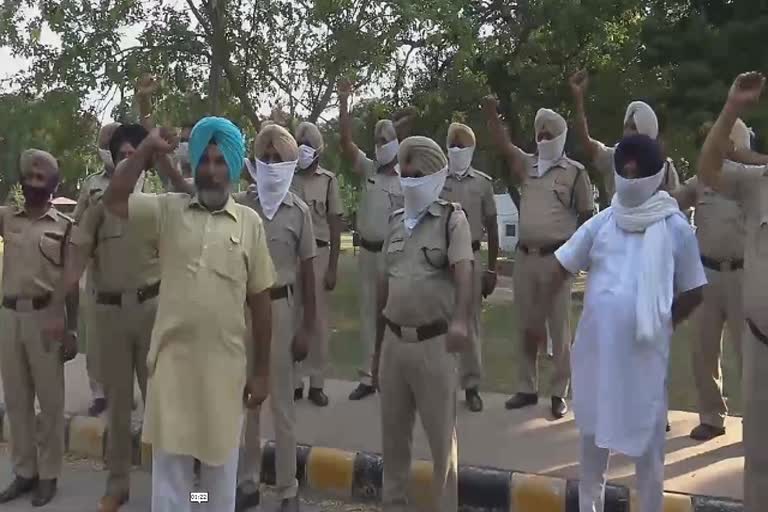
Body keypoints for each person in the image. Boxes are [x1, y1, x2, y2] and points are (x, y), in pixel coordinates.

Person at [101, 118, 276, 512]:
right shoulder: (168, 210)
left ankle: (202, 504)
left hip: (225, 375)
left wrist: (262, 371)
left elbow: (262, 304)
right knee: (171, 486)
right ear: (194, 163)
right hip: (172, 372)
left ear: (231, 168)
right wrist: (145, 149)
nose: (211, 170)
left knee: (217, 488)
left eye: (219, 161)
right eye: (205, 160)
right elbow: (114, 200)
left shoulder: (249, 224)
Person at [535, 134, 705, 512]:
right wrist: (546, 328)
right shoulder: (603, 223)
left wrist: (662, 322)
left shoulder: (675, 227)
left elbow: (695, 290)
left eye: (636, 170)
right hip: (598, 356)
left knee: (648, 454)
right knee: (592, 448)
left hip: (645, 359)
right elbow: (559, 269)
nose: (629, 175)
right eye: (623, 169)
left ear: (655, 174)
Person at [45, 124, 191, 512]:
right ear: (111, 157)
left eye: (136, 154)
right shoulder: (96, 205)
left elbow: (195, 203)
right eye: (125, 154)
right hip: (109, 313)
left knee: (163, 404)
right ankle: (118, 485)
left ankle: (176, 489)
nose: (131, 160)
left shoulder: (159, 201)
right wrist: (60, 308)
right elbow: (75, 256)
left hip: (153, 311)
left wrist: (166, 162)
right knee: (119, 407)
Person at [374, 136, 473, 512]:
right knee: (393, 439)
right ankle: (392, 504)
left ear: (436, 176)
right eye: (407, 173)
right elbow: (383, 287)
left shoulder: (452, 219)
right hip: (394, 343)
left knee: (440, 441)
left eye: (419, 174)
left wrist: (461, 320)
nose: (411, 180)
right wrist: (375, 349)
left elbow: (464, 272)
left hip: (435, 343)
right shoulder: (395, 222)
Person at [482, 95, 594, 418]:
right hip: (525, 258)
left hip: (558, 259)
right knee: (525, 324)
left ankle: (559, 393)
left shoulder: (575, 173)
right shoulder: (527, 165)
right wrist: (493, 115)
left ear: (561, 137)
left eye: (550, 134)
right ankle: (526, 388)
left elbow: (587, 218)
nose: (544, 139)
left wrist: (577, 257)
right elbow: (504, 145)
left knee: (558, 327)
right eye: (540, 134)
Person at [235, 124, 316, 512]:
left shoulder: (299, 212)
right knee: (245, 400)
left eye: (277, 158)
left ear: (290, 163)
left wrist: (307, 327)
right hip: (243, 310)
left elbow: (309, 275)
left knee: (283, 404)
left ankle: (287, 489)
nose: (269, 164)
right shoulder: (241, 206)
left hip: (282, 310)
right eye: (264, 157)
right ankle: (246, 484)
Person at [697, 71, 768, 512]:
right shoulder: (759, 183)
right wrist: (732, 108)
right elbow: (709, 168)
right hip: (761, 345)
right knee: (759, 463)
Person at [0, 149, 79, 507]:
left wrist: (72, 328)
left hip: (47, 316)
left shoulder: (64, 227)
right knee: (16, 401)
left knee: (49, 403)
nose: (33, 183)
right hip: (9, 317)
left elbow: (72, 283)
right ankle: (24, 473)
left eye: (40, 178)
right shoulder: (6, 218)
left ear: (53, 184)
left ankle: (49, 475)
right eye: (28, 177)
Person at [671, 119, 751, 441]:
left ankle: (757, 425)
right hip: (705, 275)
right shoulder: (702, 179)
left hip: (744, 275)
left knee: (752, 356)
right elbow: (674, 200)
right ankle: (712, 417)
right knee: (703, 351)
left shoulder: (752, 181)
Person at [338, 79, 406, 401]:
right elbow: (345, 141)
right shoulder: (368, 168)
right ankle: (369, 378)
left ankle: (393, 377)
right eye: (377, 139)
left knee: (394, 316)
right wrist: (343, 101)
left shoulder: (407, 178)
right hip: (367, 253)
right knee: (368, 316)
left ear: (397, 142)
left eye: (386, 139)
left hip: (394, 256)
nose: (380, 144)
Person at [439, 122, 499, 412]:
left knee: (471, 322)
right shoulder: (438, 180)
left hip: (472, 259)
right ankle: (442, 384)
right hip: (441, 259)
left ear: (472, 149)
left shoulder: (483, 183)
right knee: (440, 321)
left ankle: (472, 386)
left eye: (462, 145)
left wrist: (492, 268)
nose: (457, 150)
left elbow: (492, 225)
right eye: (453, 144)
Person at [289, 121, 342, 406]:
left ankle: (317, 383)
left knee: (318, 321)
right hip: (291, 255)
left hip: (319, 256)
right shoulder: (288, 176)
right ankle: (294, 382)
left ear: (318, 150)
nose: (302, 150)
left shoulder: (329, 180)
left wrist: (333, 266)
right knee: (292, 317)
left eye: (308, 145)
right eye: (299, 144)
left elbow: (335, 224)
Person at [569, 70, 681, 199]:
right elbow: (585, 140)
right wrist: (578, 98)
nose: (628, 132)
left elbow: (677, 203)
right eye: (626, 127)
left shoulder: (664, 168)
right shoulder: (613, 157)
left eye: (633, 127)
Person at [74, 121, 122, 417]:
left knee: (126, 333)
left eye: (111, 142)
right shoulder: (91, 183)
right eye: (103, 144)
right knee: (96, 336)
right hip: (97, 268)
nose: (107, 149)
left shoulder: (139, 177)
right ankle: (99, 393)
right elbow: (78, 219)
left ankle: (123, 389)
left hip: (129, 265)